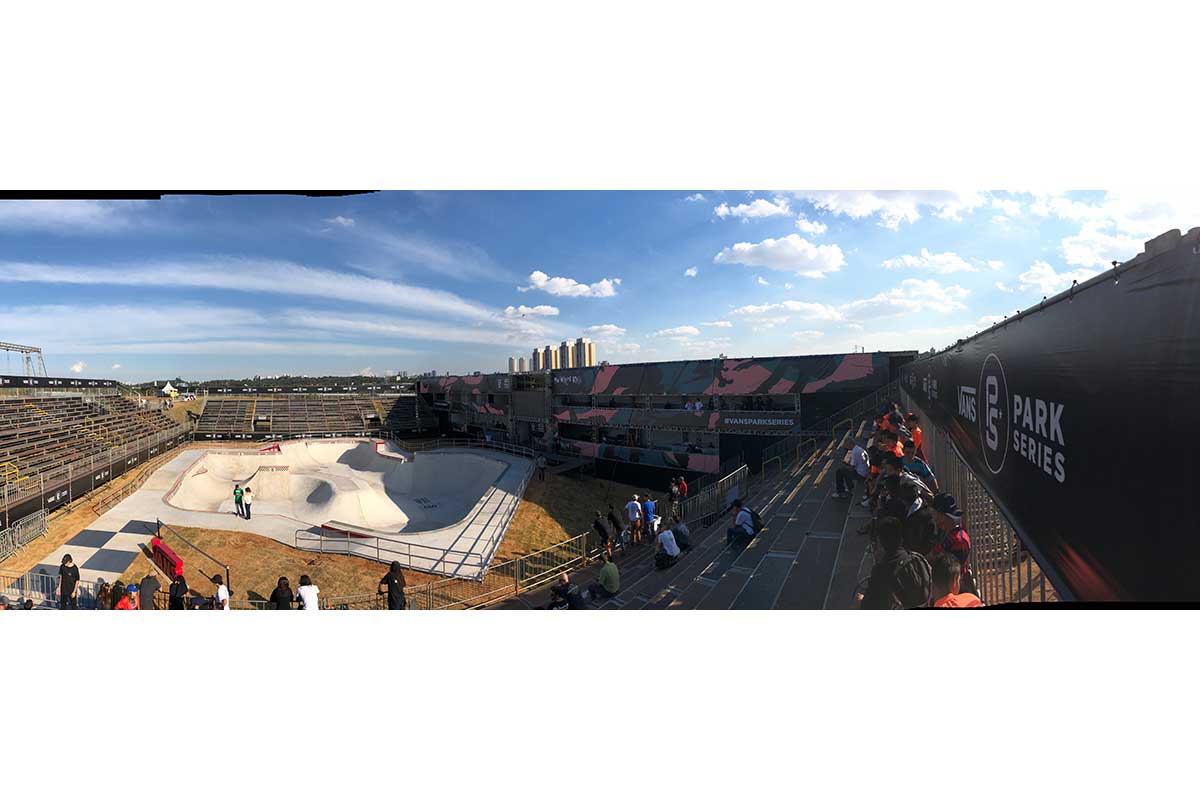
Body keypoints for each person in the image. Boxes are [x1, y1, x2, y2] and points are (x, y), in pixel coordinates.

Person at [856, 517, 932, 610]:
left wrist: (861, 601)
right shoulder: (917, 558)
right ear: (901, 538)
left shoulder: (880, 572)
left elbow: (869, 606)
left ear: (880, 542)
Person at [929, 493, 972, 585]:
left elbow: (952, 571)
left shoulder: (959, 540)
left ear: (942, 516)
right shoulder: (943, 531)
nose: (932, 516)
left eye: (934, 513)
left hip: (955, 586)